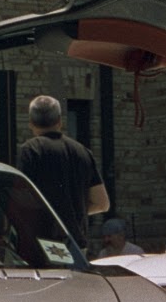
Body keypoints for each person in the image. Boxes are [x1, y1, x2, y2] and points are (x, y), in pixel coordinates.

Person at [16, 95, 109, 251]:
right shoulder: (83, 152)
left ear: (31, 123)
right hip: (76, 246)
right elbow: (102, 203)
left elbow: (21, 200)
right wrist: (72, 211)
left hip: (44, 244)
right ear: (60, 121)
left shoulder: (30, 150)